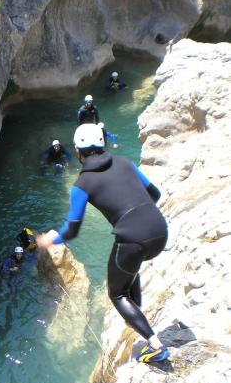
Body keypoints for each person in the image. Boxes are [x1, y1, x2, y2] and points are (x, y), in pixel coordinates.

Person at [37, 123, 170, 363]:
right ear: (102, 144)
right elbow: (156, 195)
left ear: (78, 152)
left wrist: (50, 239)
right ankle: (136, 315)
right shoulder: (124, 162)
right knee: (130, 270)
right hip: (159, 230)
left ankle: (156, 345)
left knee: (117, 294)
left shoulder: (82, 184)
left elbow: (72, 229)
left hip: (133, 239)